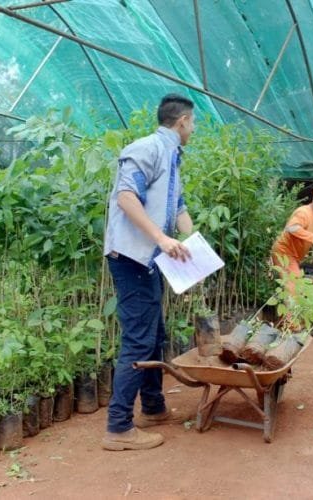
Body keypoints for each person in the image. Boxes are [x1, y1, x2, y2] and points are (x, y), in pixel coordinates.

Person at [101, 94, 196, 450]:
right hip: (131, 257)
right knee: (139, 339)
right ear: (182, 121)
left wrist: (195, 243)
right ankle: (118, 427)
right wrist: (161, 238)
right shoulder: (147, 148)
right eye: (193, 123)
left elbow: (179, 208)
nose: (193, 129)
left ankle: (153, 407)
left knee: (155, 333)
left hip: (150, 259)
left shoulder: (172, 158)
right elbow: (126, 197)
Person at [270, 184, 313, 332]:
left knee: (296, 286)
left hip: (294, 256)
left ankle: (286, 321)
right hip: (283, 252)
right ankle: (292, 326)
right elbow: (292, 228)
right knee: (292, 286)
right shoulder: (303, 212)